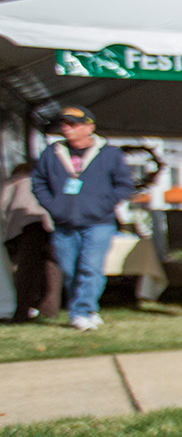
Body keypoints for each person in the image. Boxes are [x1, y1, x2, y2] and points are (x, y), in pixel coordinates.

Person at [29, 106, 134, 331]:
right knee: (70, 269)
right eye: (64, 124)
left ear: (89, 127)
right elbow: (38, 182)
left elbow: (124, 185)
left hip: (99, 223)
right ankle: (87, 308)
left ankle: (81, 311)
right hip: (64, 222)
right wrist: (54, 206)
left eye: (73, 124)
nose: (66, 129)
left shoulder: (109, 154)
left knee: (91, 267)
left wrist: (103, 205)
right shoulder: (52, 152)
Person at [3, 161, 60, 322]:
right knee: (52, 267)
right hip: (51, 224)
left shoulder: (15, 181)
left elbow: (3, 203)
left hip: (26, 226)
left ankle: (22, 310)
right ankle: (49, 309)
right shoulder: (50, 179)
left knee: (27, 269)